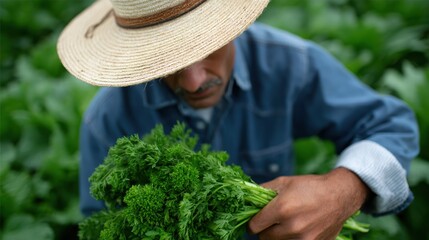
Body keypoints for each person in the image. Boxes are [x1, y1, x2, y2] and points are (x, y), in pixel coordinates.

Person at [57, 0, 419, 239]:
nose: (195, 81)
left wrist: (343, 189)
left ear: (230, 27)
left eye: (204, 47)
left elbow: (390, 124)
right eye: (168, 62)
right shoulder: (108, 120)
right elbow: (103, 224)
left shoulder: (288, 65)